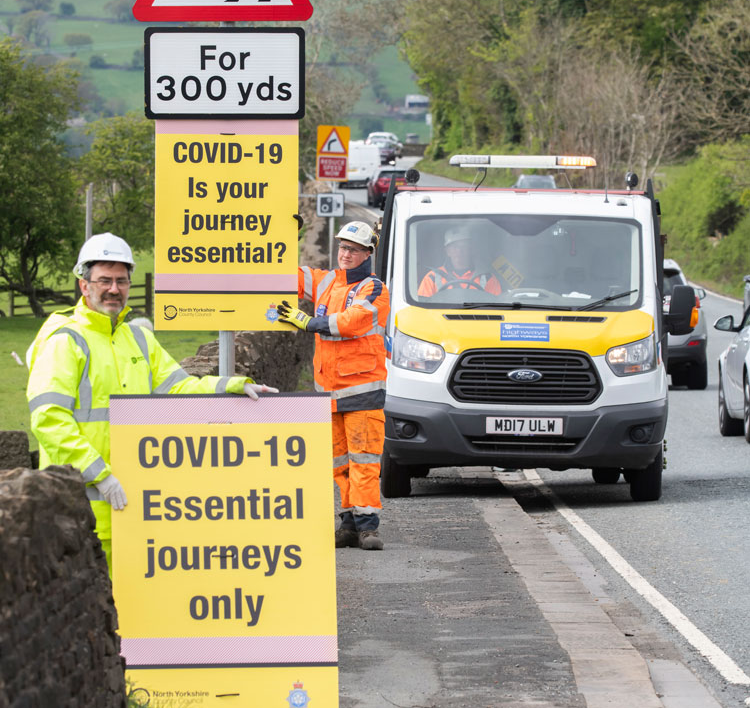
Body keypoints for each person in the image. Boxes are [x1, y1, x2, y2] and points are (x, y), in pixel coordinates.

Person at [26, 232, 278, 572]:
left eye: (121, 281)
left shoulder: (139, 339)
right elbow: (48, 417)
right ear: (84, 286)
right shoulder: (65, 341)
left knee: (129, 613)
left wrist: (231, 385)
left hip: (137, 508)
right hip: (76, 508)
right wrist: (99, 474)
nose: (113, 289)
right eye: (104, 280)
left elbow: (178, 388)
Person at [275, 221, 390, 551]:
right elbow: (287, 277)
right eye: (343, 247)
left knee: (363, 461)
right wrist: (284, 239)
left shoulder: (375, 288)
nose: (346, 254)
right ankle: (349, 524)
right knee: (339, 463)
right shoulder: (326, 281)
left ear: (368, 253)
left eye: (354, 249)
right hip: (329, 393)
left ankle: (369, 527)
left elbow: (352, 323)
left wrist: (308, 322)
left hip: (363, 391)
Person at [418, 225, 503, 297]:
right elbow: (423, 312)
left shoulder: (488, 278)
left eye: (464, 246)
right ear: (447, 251)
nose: (459, 251)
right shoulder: (432, 278)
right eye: (455, 247)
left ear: (470, 249)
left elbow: (497, 309)